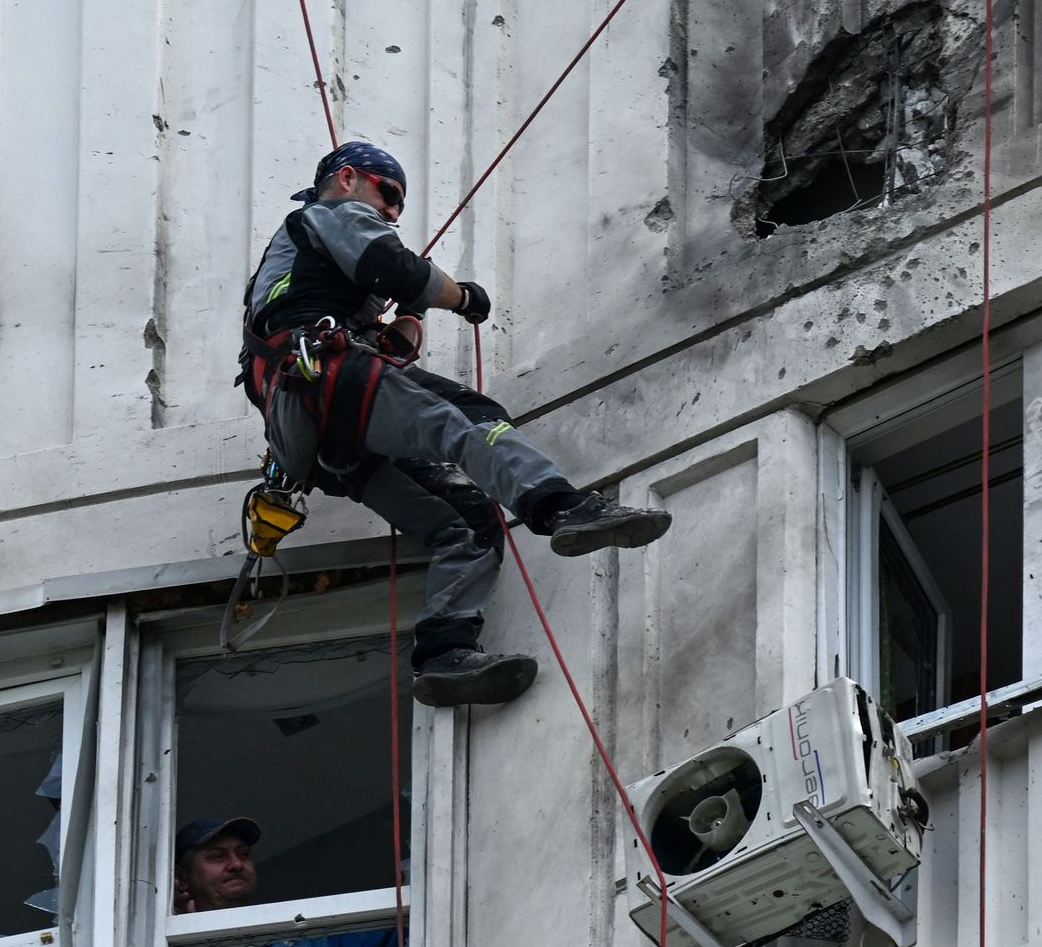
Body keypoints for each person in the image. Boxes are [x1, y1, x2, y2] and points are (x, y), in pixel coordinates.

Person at [241, 141, 671, 708]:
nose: (392, 213)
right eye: (387, 195)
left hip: (314, 434)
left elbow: (384, 336)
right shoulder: (329, 214)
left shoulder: (295, 271)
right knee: (471, 417)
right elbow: (393, 267)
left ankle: (445, 655)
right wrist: (461, 296)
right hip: (329, 381)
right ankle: (562, 507)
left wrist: (404, 322)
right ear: (347, 178)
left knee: (467, 521)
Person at [173, 816, 401, 947]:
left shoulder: (298, 938)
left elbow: (398, 937)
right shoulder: (165, 941)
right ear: (182, 878)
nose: (236, 864)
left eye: (243, 854)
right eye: (217, 856)